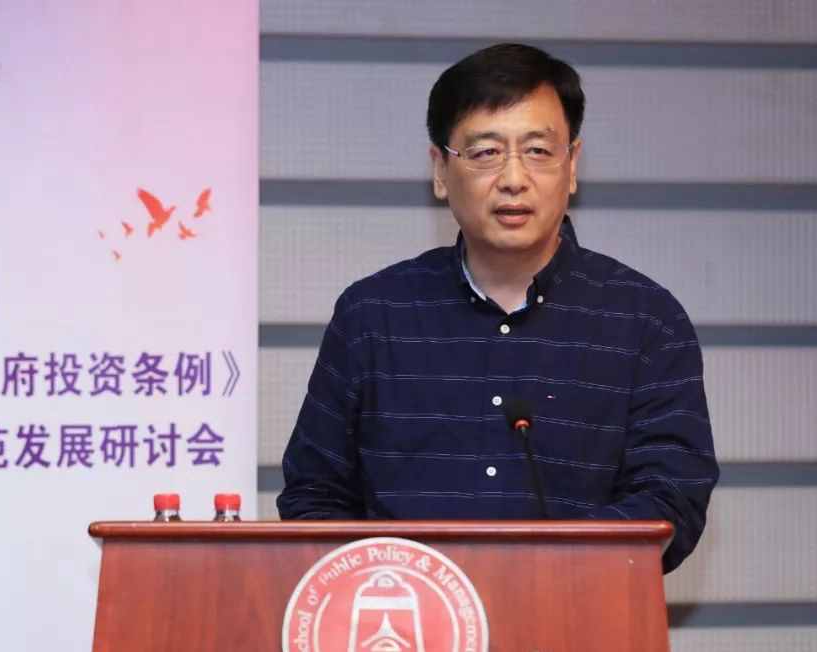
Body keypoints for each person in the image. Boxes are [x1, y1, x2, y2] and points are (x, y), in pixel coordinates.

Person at [276, 43, 718, 572]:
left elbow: (671, 498)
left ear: (572, 165)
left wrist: (545, 572)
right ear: (441, 170)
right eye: (486, 152)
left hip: (574, 611)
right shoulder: (371, 316)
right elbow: (314, 494)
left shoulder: (646, 321)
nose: (513, 178)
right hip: (407, 612)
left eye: (538, 150)